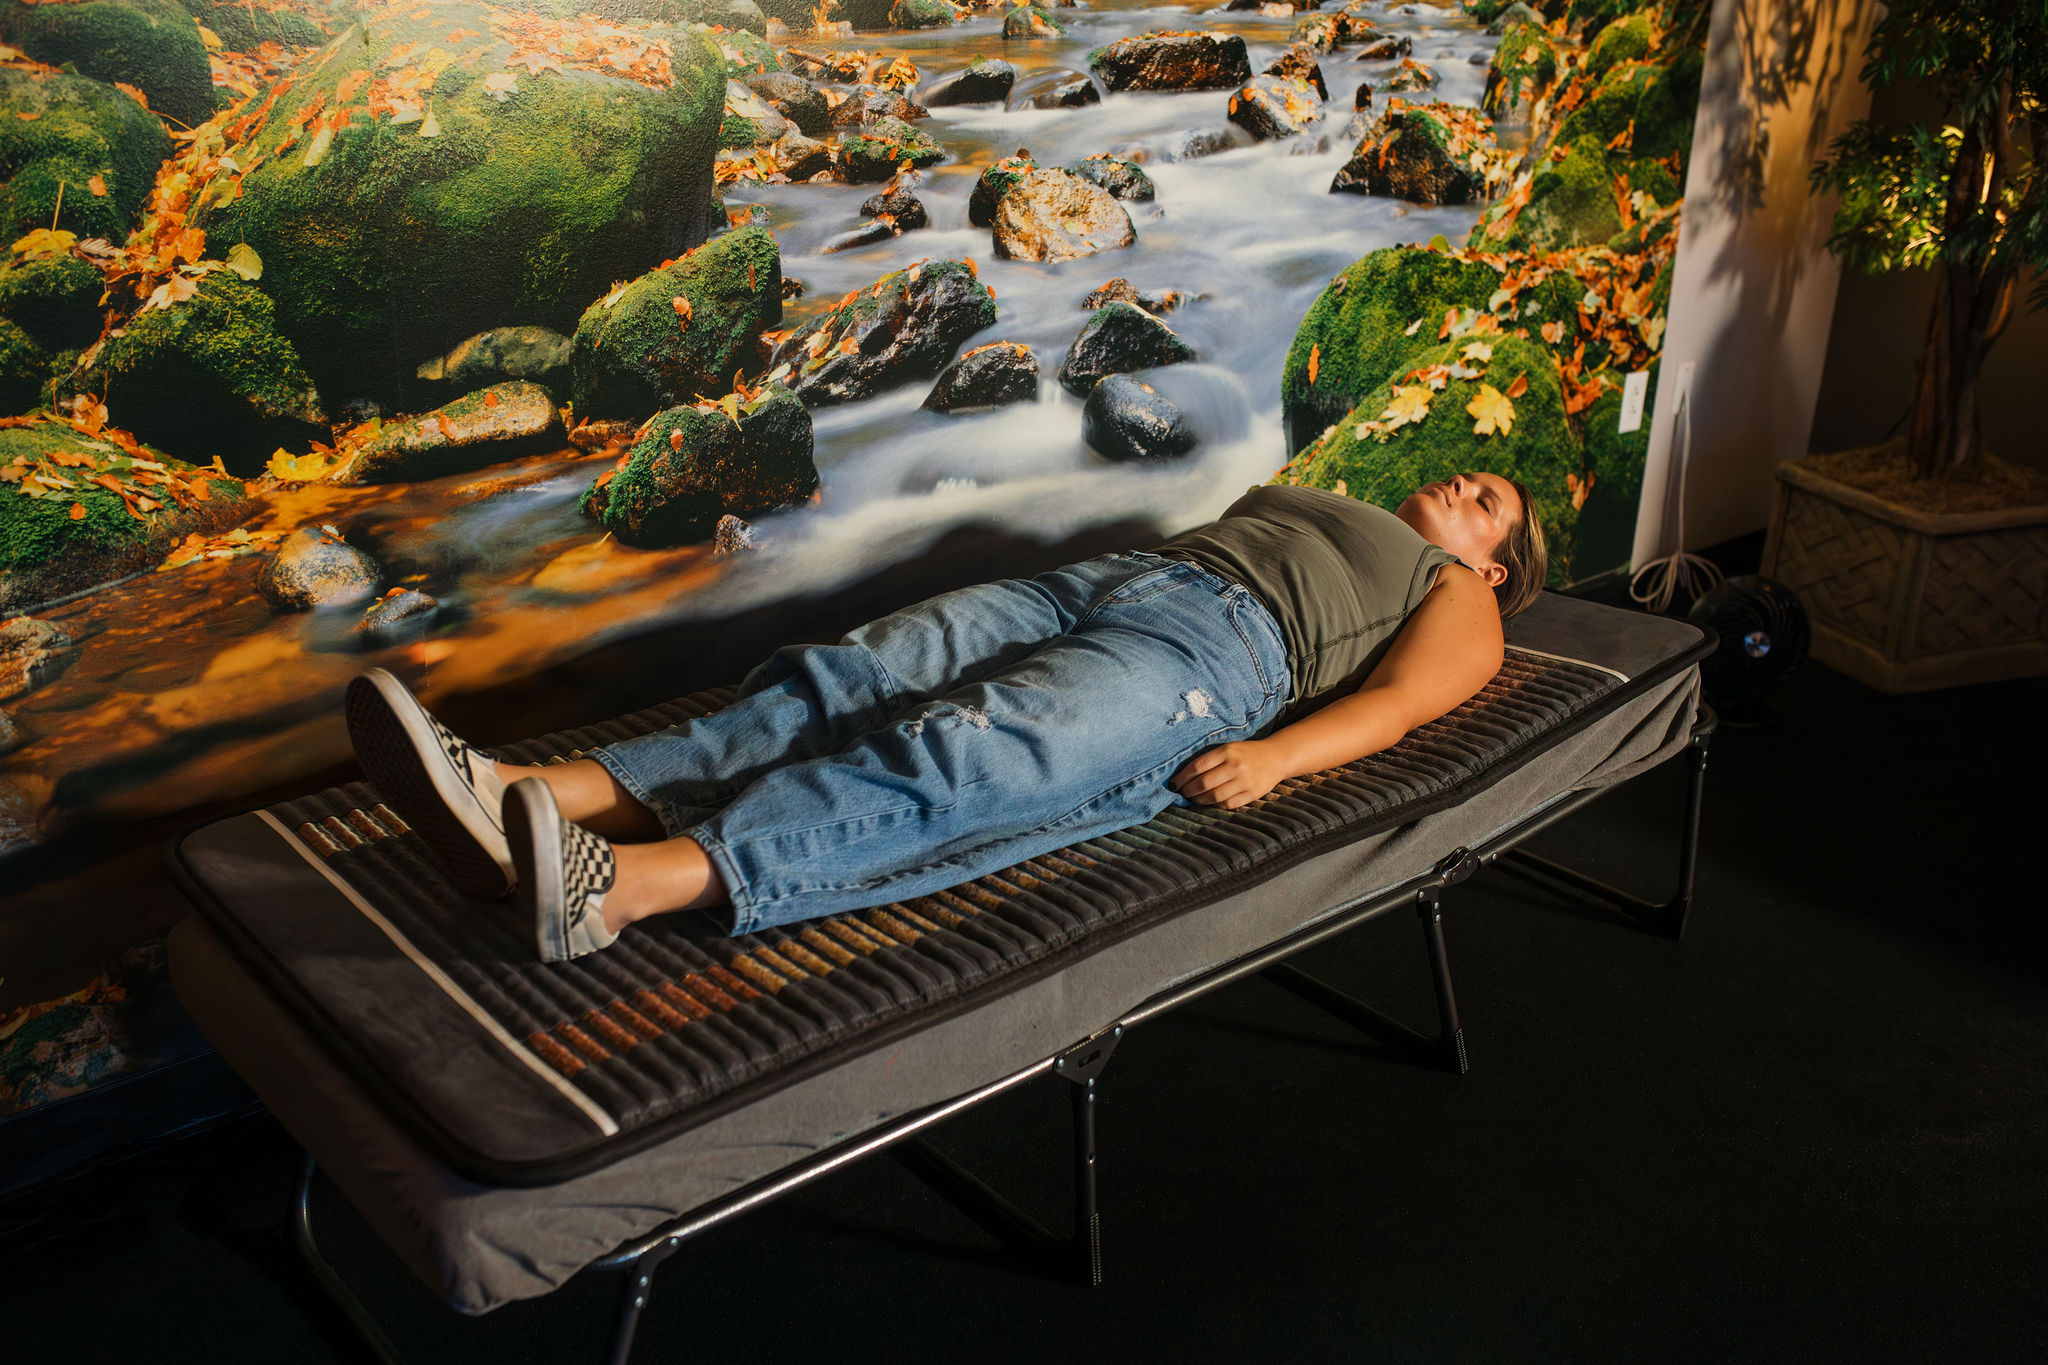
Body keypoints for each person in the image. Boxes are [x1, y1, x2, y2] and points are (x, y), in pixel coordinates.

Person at [345, 472, 1546, 962]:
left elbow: (1399, 704)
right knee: (849, 676)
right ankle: (522, 793)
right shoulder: (1325, 496)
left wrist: (1277, 757)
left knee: (970, 750)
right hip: (1114, 578)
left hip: (1216, 655)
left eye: (1486, 500)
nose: (1462, 487)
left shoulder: (1454, 594)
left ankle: (623, 888)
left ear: (1494, 566)